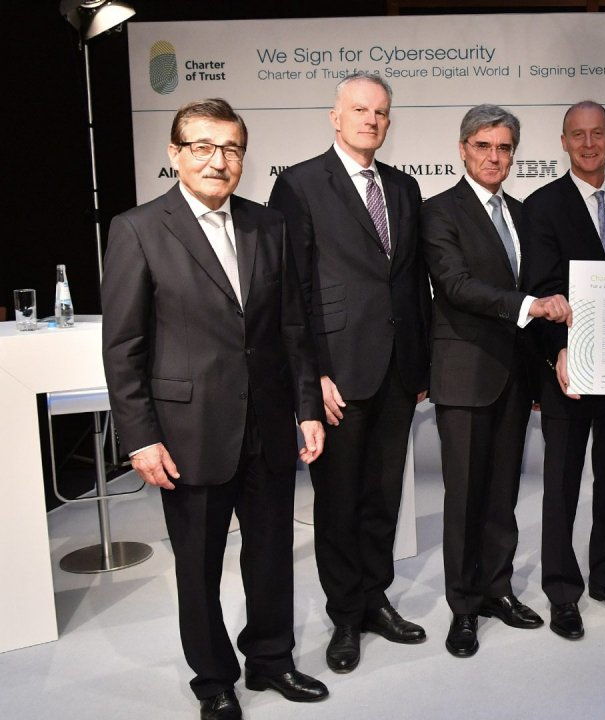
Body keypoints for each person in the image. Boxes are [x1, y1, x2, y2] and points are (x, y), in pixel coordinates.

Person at [102, 98, 328, 720]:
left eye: (229, 148)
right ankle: (214, 680)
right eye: (201, 146)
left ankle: (272, 659)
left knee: (271, 553)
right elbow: (123, 348)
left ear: (243, 157)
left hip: (269, 425)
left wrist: (307, 406)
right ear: (174, 154)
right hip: (187, 432)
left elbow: (292, 327)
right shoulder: (138, 229)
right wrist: (140, 437)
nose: (216, 160)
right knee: (199, 567)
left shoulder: (267, 225)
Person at [268, 71, 430, 675]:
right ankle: (344, 615)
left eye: (381, 112)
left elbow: (412, 283)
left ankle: (374, 597)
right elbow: (293, 291)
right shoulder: (300, 185)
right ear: (335, 117)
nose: (371, 119)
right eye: (359, 110)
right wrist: (315, 379)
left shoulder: (405, 187)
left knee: (383, 497)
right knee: (338, 501)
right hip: (339, 372)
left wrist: (421, 365)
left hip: (395, 372)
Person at [423, 104, 572, 658]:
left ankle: (498, 589)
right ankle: (463, 609)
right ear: (463, 149)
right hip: (464, 376)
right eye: (483, 145)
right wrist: (533, 305)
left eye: (504, 147)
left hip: (513, 377)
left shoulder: (520, 212)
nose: (494, 156)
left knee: (503, 494)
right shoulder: (439, 211)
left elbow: (532, 279)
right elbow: (456, 285)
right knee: (464, 495)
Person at [522, 101, 605, 639]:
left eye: (598, 134)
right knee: (562, 482)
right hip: (570, 368)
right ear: (564, 142)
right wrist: (558, 351)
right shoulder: (542, 206)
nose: (590, 143)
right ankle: (562, 589)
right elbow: (542, 286)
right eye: (579, 135)